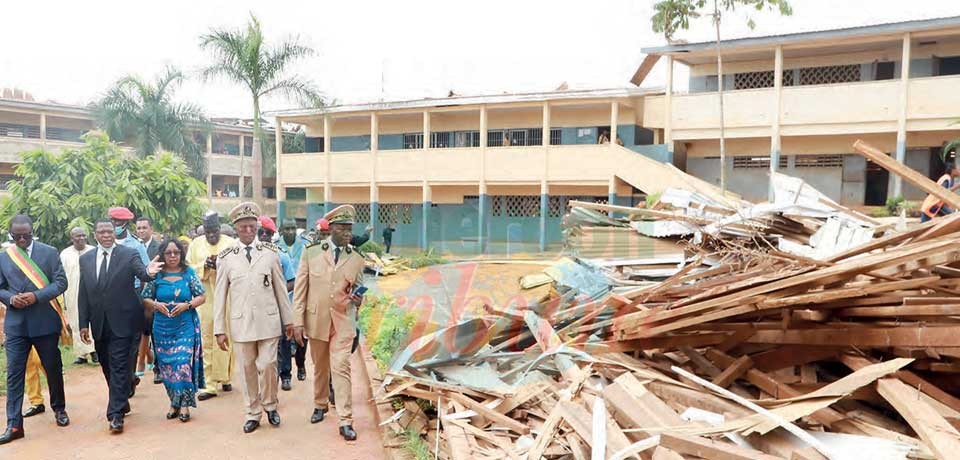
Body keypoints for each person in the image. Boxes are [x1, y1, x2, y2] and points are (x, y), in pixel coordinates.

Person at [213, 202, 294, 434]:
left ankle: (270, 404)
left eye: (252, 227)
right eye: (244, 227)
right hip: (241, 323)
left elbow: (281, 289)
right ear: (236, 228)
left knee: (268, 364)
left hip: (268, 321)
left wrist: (288, 320)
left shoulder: (270, 254)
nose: (248, 231)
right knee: (247, 368)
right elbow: (220, 295)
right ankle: (252, 412)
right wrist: (220, 329)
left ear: (257, 227)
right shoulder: (226, 257)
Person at [78, 218, 163, 434]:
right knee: (107, 365)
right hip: (99, 323)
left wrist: (150, 271)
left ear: (114, 233)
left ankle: (115, 415)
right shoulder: (86, 259)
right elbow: (84, 292)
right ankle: (122, 399)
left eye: (109, 231)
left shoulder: (128, 254)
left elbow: (142, 274)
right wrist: (83, 323)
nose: (106, 235)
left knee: (117, 365)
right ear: (95, 234)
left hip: (124, 321)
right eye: (102, 232)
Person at [292, 205, 365, 441]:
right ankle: (320, 404)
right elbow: (301, 290)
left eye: (350, 229)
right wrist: (298, 322)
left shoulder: (356, 258)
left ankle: (345, 420)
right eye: (343, 228)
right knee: (320, 366)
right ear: (331, 228)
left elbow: (359, 293)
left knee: (341, 367)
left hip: (343, 321)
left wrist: (357, 298)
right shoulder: (311, 252)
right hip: (317, 319)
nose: (347, 233)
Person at [0, 214, 70, 445]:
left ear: (32, 231)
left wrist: (36, 296)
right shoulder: (4, 257)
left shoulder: (49, 252)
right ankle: (14, 424)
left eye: (26, 235)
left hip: (45, 322)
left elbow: (61, 282)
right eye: (17, 236)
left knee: (53, 367)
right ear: (11, 234)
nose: (22, 239)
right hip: (17, 325)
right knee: (14, 374)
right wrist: (11, 299)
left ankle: (59, 409)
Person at [141, 238, 205, 423]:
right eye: (168, 253)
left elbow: (201, 296)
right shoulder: (157, 276)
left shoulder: (188, 273)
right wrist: (156, 305)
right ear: (163, 255)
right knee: (167, 367)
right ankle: (174, 403)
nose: (172, 256)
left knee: (182, 363)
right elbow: (145, 298)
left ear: (181, 254)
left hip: (185, 326)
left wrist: (187, 305)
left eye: (176, 252)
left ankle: (184, 404)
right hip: (162, 328)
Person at [186, 211, 236, 401]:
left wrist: (221, 265)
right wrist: (205, 266)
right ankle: (209, 384)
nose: (211, 235)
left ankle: (225, 377)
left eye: (214, 230)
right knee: (207, 338)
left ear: (220, 228)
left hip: (227, 297)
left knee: (226, 337)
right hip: (205, 298)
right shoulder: (196, 244)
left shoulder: (231, 244)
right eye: (208, 231)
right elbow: (188, 268)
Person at [108, 207, 154, 392]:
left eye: (119, 223)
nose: (116, 226)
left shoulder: (136, 245)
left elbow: (146, 272)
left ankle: (130, 376)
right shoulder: (104, 242)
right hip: (110, 297)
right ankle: (124, 377)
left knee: (131, 341)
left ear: (126, 224)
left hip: (132, 294)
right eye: (113, 222)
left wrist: (143, 301)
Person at [261, 217, 298, 391]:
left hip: (280, 307)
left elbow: (292, 280)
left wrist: (277, 292)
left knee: (283, 342)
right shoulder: (248, 256)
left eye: (267, 233)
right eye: (260, 232)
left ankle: (285, 375)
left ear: (273, 234)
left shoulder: (281, 255)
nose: (263, 236)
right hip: (258, 309)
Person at [277, 218, 308, 382]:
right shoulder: (275, 246)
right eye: (287, 229)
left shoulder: (305, 245)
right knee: (286, 337)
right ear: (281, 230)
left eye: (293, 229)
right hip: (284, 296)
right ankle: (286, 374)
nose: (290, 232)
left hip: (302, 295)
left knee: (302, 335)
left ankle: (301, 365)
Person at [61, 227, 95, 364]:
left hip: (91, 291)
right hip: (72, 293)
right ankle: (82, 354)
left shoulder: (93, 250)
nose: (81, 238)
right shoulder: (65, 254)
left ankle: (94, 351)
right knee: (75, 321)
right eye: (77, 236)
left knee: (92, 320)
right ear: (71, 238)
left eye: (83, 235)